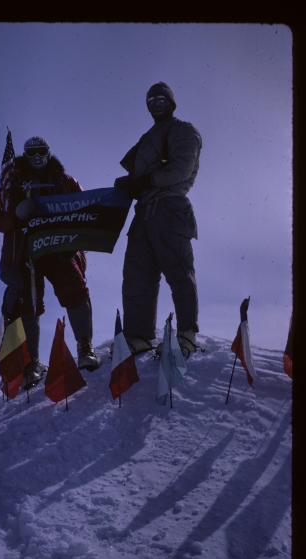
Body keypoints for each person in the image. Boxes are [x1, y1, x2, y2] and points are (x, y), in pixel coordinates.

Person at [0, 135, 99, 389]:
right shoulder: (11, 185)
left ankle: (85, 347)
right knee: (28, 304)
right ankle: (31, 364)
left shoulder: (65, 181)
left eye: (42, 151)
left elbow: (83, 211)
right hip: (25, 254)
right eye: (32, 152)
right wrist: (16, 215)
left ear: (49, 153)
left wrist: (73, 243)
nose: (37, 157)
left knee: (76, 290)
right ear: (25, 155)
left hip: (59, 248)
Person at [114, 82, 202, 357]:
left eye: (161, 98)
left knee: (178, 271)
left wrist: (145, 181)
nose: (155, 103)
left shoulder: (182, 130)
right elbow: (142, 177)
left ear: (172, 103)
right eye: (150, 99)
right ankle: (138, 337)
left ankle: (186, 334)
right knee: (136, 278)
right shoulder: (147, 138)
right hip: (143, 214)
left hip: (170, 208)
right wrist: (129, 184)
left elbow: (180, 169)